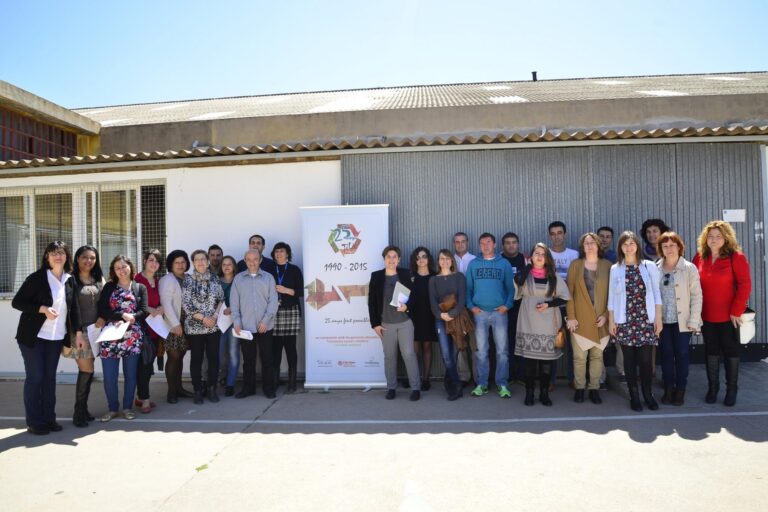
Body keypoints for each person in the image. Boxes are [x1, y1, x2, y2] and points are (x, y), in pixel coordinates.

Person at [13, 241, 83, 435]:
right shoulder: (37, 278)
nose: (57, 256)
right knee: (36, 377)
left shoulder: (70, 279)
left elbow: (74, 308)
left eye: (61, 252)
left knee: (49, 379)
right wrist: (42, 309)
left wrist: (78, 333)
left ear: (66, 256)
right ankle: (34, 422)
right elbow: (17, 302)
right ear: (47, 257)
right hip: (33, 337)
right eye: (53, 253)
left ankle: (49, 419)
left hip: (55, 337)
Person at [693, 220, 751, 406]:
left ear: (726, 238)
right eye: (710, 236)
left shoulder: (736, 257)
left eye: (718, 236)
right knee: (711, 352)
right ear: (705, 238)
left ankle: (731, 390)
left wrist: (737, 310)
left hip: (729, 316)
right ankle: (713, 388)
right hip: (707, 315)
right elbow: (693, 286)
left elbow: (744, 284)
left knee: (730, 352)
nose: (714, 239)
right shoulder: (699, 257)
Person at [608, 231, 662, 412]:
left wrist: (658, 319)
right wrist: (611, 321)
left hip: (645, 320)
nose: (628, 247)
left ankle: (648, 394)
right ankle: (634, 395)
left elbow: (656, 294)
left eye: (632, 243)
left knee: (646, 361)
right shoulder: (615, 269)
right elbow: (611, 298)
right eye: (625, 244)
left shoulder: (648, 266)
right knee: (629, 362)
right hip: (624, 321)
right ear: (620, 248)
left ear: (637, 246)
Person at [515, 243, 571, 406]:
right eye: (536, 253)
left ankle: (545, 393)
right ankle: (530, 392)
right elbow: (518, 282)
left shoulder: (553, 276)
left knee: (546, 362)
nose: (539, 256)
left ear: (547, 258)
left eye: (543, 254)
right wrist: (528, 267)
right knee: (530, 362)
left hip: (548, 321)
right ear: (531, 256)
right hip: (528, 321)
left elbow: (565, 297)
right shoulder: (525, 274)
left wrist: (549, 304)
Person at [97, 255, 149, 422]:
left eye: (124, 266)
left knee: (131, 375)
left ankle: (127, 408)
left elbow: (144, 310)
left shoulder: (140, 287)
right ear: (114, 271)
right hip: (110, 336)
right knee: (109, 376)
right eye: (117, 268)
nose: (121, 270)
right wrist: (121, 315)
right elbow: (103, 309)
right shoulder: (109, 287)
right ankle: (112, 408)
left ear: (130, 267)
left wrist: (134, 316)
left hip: (132, 338)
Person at [368, 246, 421, 400]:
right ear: (384, 259)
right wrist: (375, 324)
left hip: (405, 322)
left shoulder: (405, 274)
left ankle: (415, 388)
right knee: (389, 356)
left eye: (394, 257)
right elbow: (371, 302)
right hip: (386, 324)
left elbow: (415, 296)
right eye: (388, 257)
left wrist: (408, 306)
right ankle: (391, 387)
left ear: (399, 259)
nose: (391, 260)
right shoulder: (376, 276)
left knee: (409, 354)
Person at [466, 233, 515, 398]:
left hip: (499, 313)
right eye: (482, 243)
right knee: (481, 351)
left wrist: (507, 306)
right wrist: (471, 306)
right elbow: (468, 289)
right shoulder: (473, 264)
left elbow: (511, 288)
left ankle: (502, 384)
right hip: (479, 313)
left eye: (488, 242)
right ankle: (482, 384)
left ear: (494, 245)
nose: (485, 245)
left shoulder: (504, 264)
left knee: (502, 351)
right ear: (479, 246)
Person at [656, 232, 702, 406]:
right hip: (663, 320)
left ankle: (680, 389)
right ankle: (668, 388)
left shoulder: (689, 268)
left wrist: (694, 321)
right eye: (665, 246)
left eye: (672, 245)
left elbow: (697, 295)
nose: (669, 249)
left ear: (679, 247)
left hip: (683, 321)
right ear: (661, 249)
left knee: (682, 354)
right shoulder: (656, 267)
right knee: (666, 355)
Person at [566, 233, 611, 405]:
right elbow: (568, 292)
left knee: (597, 357)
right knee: (579, 357)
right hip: (579, 319)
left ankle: (594, 388)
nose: (590, 245)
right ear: (582, 247)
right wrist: (571, 316)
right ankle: (579, 388)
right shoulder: (575, 265)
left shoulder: (607, 265)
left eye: (593, 242)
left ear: (599, 245)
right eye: (586, 243)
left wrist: (607, 315)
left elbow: (613, 295)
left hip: (601, 320)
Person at [231, 248, 279, 399]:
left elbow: (273, 302)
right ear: (245, 261)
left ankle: (268, 388)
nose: (252, 262)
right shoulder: (238, 279)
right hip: (245, 328)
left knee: (267, 359)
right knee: (248, 360)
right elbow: (234, 303)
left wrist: (265, 321)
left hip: (266, 326)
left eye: (255, 259)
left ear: (260, 260)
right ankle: (248, 388)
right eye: (249, 259)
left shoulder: (269, 278)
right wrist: (237, 322)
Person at [66, 245, 105, 427]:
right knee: (87, 369)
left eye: (92, 258)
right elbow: (71, 308)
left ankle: (83, 409)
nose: (89, 261)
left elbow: (104, 303)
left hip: (96, 331)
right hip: (78, 333)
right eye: (85, 257)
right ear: (77, 258)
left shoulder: (98, 279)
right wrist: (78, 332)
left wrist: (103, 317)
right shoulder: (71, 279)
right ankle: (78, 412)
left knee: (89, 369)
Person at [182, 250, 225, 404]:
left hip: (213, 327)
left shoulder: (214, 278)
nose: (200, 262)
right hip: (195, 327)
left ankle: (212, 388)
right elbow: (186, 305)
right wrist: (203, 318)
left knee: (213, 358)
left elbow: (221, 299)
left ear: (207, 262)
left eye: (203, 259)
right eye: (197, 260)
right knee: (197, 359)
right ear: (193, 263)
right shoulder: (188, 280)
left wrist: (214, 317)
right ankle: (198, 390)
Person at [428, 249, 466, 400]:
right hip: (440, 319)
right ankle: (456, 385)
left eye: (447, 258)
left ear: (452, 261)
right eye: (441, 259)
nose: (445, 261)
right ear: (438, 261)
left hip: (456, 318)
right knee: (446, 354)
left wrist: (452, 314)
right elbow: (432, 302)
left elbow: (462, 300)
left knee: (456, 353)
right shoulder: (433, 280)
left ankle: (449, 380)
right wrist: (441, 315)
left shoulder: (459, 277)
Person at [159, 249, 193, 403]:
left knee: (181, 355)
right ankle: (171, 392)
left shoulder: (189, 278)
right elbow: (166, 303)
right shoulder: (167, 279)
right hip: (172, 324)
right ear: (171, 264)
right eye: (177, 262)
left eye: (183, 262)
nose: (180, 265)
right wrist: (175, 324)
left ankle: (179, 388)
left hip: (188, 323)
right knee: (174, 356)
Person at [548, 221, 578, 387]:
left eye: (559, 233)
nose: (556, 236)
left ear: (564, 234)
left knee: (573, 345)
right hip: (551, 306)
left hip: (570, 305)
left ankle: (573, 378)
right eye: (553, 233)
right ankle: (550, 381)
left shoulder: (574, 254)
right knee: (552, 344)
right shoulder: (545, 254)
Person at [271, 242, 304, 393]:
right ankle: (275, 380)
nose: (278, 254)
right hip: (273, 312)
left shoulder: (294, 269)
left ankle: (292, 382)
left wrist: (286, 290)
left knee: (290, 347)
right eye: (276, 251)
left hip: (291, 310)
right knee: (275, 348)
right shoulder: (269, 269)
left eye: (282, 251)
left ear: (287, 253)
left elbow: (301, 291)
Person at [134, 249, 164, 414]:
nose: (154, 263)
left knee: (148, 364)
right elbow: (137, 305)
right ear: (145, 261)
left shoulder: (158, 281)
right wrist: (152, 309)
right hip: (141, 329)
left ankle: (140, 396)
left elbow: (161, 300)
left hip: (155, 329)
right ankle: (144, 399)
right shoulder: (137, 280)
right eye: (151, 260)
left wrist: (160, 308)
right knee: (143, 366)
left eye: (157, 261)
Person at [409, 246, 437, 391]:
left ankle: (425, 378)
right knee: (414, 349)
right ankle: (413, 377)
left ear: (428, 258)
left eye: (424, 256)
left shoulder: (434, 276)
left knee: (427, 346)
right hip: (412, 316)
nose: (421, 260)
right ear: (415, 260)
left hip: (429, 316)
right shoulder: (410, 277)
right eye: (418, 257)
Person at [501, 232, 526, 383]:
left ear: (518, 244)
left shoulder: (525, 259)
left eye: (514, 242)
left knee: (521, 341)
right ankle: (508, 375)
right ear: (503, 245)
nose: (511, 245)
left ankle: (522, 375)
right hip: (504, 307)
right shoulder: (499, 260)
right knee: (506, 342)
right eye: (508, 243)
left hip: (522, 306)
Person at [218, 256, 239, 396]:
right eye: (224, 264)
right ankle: (222, 378)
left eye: (229, 264)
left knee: (233, 353)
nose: (226, 267)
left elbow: (245, 299)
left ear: (234, 266)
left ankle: (230, 384)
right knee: (219, 354)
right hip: (219, 322)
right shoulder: (216, 282)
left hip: (234, 321)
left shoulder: (240, 281)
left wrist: (233, 308)